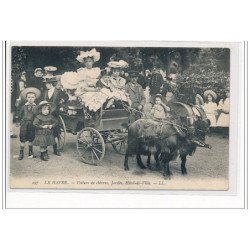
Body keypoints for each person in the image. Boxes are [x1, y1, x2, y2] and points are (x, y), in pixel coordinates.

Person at [18, 87, 41, 160]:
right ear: (26, 98)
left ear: (35, 98)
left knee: (31, 138)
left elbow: (37, 115)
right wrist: (21, 121)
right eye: (29, 97)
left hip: (32, 124)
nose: (31, 99)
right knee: (23, 138)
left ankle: (30, 152)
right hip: (24, 124)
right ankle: (21, 152)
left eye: (32, 97)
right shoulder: (23, 107)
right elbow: (20, 115)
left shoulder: (36, 107)